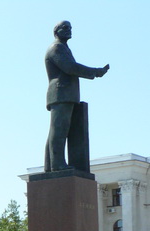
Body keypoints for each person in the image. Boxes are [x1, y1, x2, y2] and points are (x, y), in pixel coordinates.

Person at [44, 20, 109, 172]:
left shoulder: (64, 47)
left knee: (59, 129)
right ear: (56, 31)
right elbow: (69, 67)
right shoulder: (56, 47)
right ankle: (57, 164)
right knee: (59, 129)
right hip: (60, 93)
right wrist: (95, 71)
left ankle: (51, 165)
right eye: (64, 27)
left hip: (67, 94)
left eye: (70, 28)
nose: (69, 30)